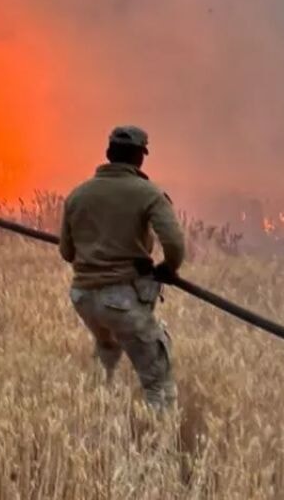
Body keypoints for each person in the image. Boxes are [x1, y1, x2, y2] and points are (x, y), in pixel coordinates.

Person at [59, 126, 186, 410]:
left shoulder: (77, 195)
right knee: (157, 381)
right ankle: (160, 435)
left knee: (107, 357)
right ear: (140, 157)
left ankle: (97, 417)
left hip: (83, 298)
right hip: (123, 299)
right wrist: (168, 268)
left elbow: (67, 252)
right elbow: (175, 244)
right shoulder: (148, 193)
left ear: (108, 153)